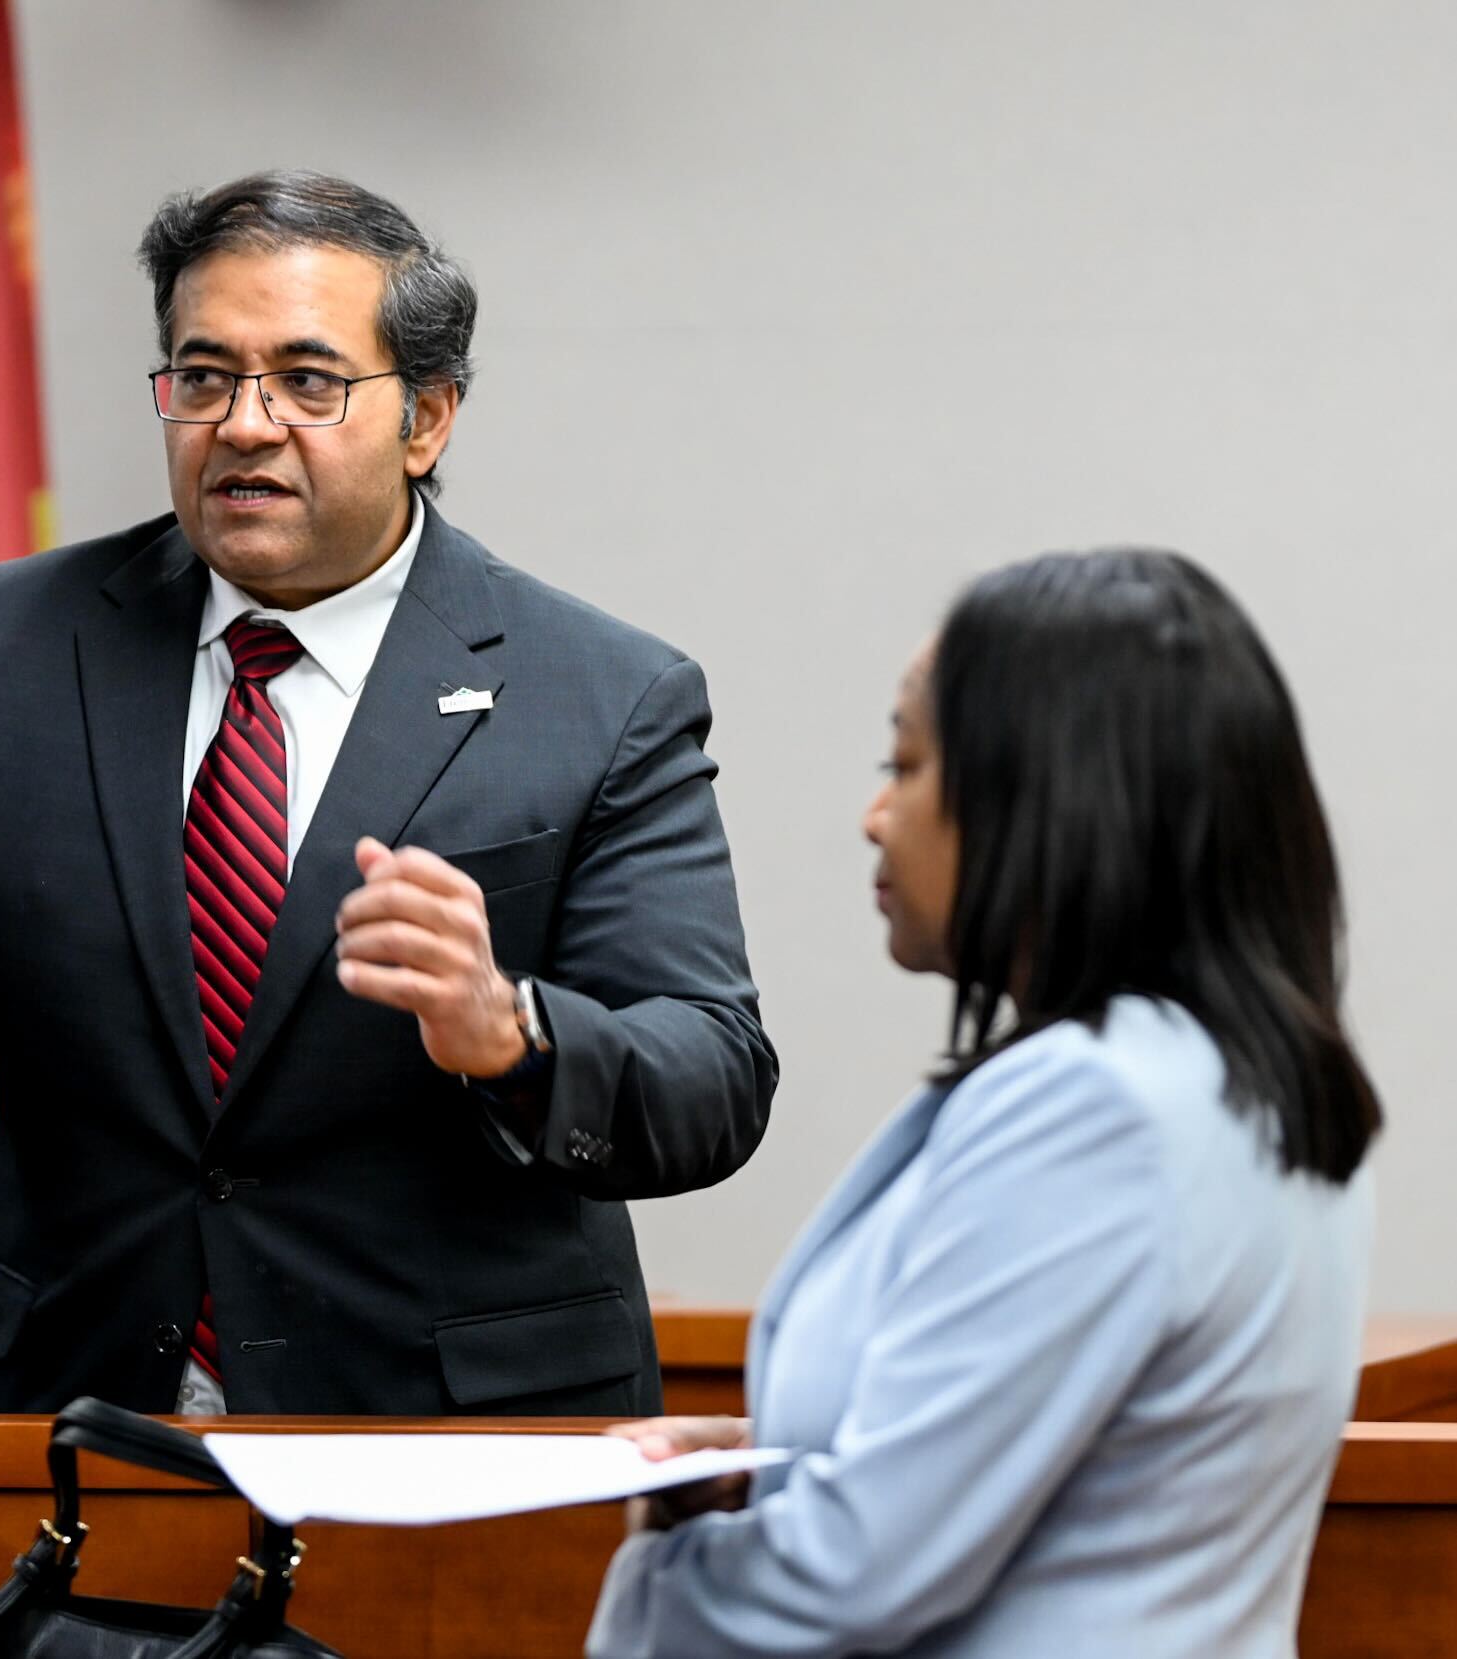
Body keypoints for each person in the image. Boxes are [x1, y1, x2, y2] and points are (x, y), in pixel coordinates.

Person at [0, 170, 777, 1416]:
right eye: (201, 377)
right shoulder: (6, 649)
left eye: (307, 381)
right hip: (66, 1419)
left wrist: (510, 1032)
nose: (244, 423)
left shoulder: (600, 695)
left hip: (448, 1444)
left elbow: (709, 1073)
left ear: (427, 418)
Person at [587, 550, 1380, 1656]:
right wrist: (774, 1481)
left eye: (904, 763)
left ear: (1048, 799)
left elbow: (854, 1574)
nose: (872, 816)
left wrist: (663, 1572)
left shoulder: (1090, 1110)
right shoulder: (1242, 1079)